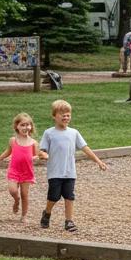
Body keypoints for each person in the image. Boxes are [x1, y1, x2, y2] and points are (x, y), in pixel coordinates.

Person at [38, 99, 108, 232]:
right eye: (62, 114)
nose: (65, 117)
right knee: (54, 196)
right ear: (54, 116)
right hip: (55, 172)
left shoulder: (74, 133)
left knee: (69, 196)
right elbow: (42, 150)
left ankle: (69, 221)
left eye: (68, 115)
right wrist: (43, 154)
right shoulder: (49, 133)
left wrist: (98, 161)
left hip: (70, 172)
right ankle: (47, 213)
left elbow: (85, 148)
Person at [0, 112, 44, 223]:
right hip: (14, 170)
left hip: (26, 172)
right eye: (23, 125)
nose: (26, 127)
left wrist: (36, 158)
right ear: (17, 126)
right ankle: (16, 200)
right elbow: (7, 152)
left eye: (28, 125)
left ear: (31, 126)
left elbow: (38, 155)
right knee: (13, 190)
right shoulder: (13, 141)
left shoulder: (34, 143)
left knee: (25, 195)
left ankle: (24, 216)